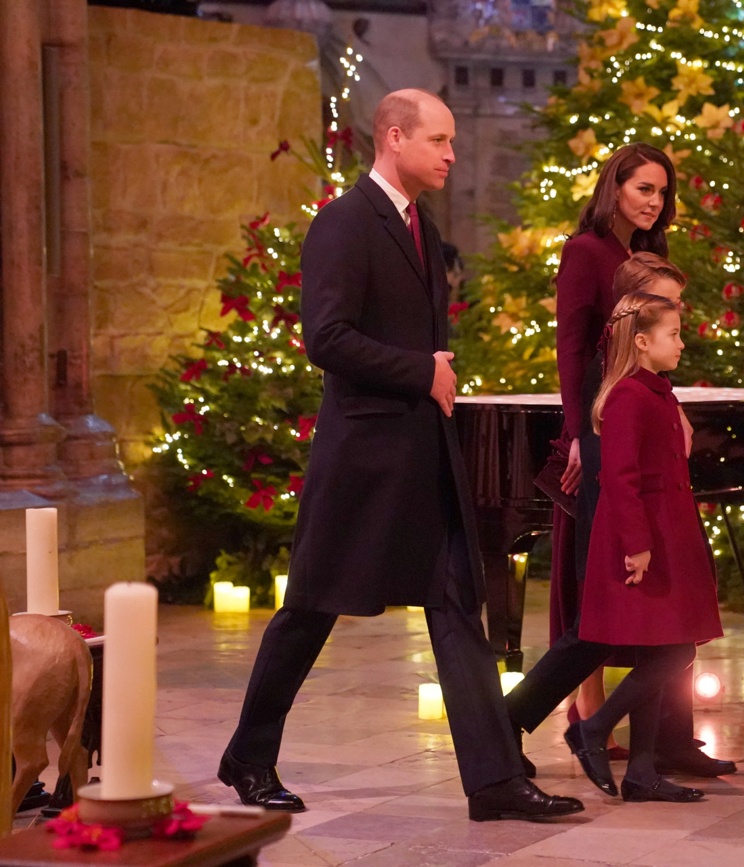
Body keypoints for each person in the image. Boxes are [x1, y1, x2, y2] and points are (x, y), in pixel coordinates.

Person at [216, 89, 582, 823]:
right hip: (364, 460)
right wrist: (422, 371)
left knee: (457, 610)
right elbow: (326, 336)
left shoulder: (420, 221)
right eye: (439, 140)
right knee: (310, 609)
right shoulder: (344, 223)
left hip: (423, 455)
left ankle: (494, 782)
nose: (451, 153)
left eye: (451, 140)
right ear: (393, 138)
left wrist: (430, 379)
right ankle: (248, 758)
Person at [504, 143, 734, 778]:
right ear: (615, 187)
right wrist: (580, 433)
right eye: (642, 188)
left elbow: (644, 353)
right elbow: (574, 348)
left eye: (662, 191)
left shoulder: (644, 259)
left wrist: (675, 404)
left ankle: (668, 741)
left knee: (665, 596)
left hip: (634, 415)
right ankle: (522, 723)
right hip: (604, 428)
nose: (653, 200)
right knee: (609, 603)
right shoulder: (587, 252)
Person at [566, 290, 724, 803]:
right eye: (673, 334)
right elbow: (620, 477)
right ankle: (594, 729)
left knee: (666, 647)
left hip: (667, 533)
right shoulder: (630, 396)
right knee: (672, 649)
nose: (681, 343)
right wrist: (637, 545)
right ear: (641, 341)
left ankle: (641, 772)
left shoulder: (656, 390)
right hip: (646, 539)